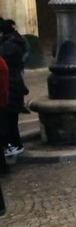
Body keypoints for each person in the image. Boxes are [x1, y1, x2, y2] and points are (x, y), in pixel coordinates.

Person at [0, 19, 30, 158]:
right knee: (11, 119)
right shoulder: (18, 41)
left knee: (9, 120)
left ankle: (13, 145)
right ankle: (15, 144)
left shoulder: (6, 46)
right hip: (15, 81)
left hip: (10, 85)